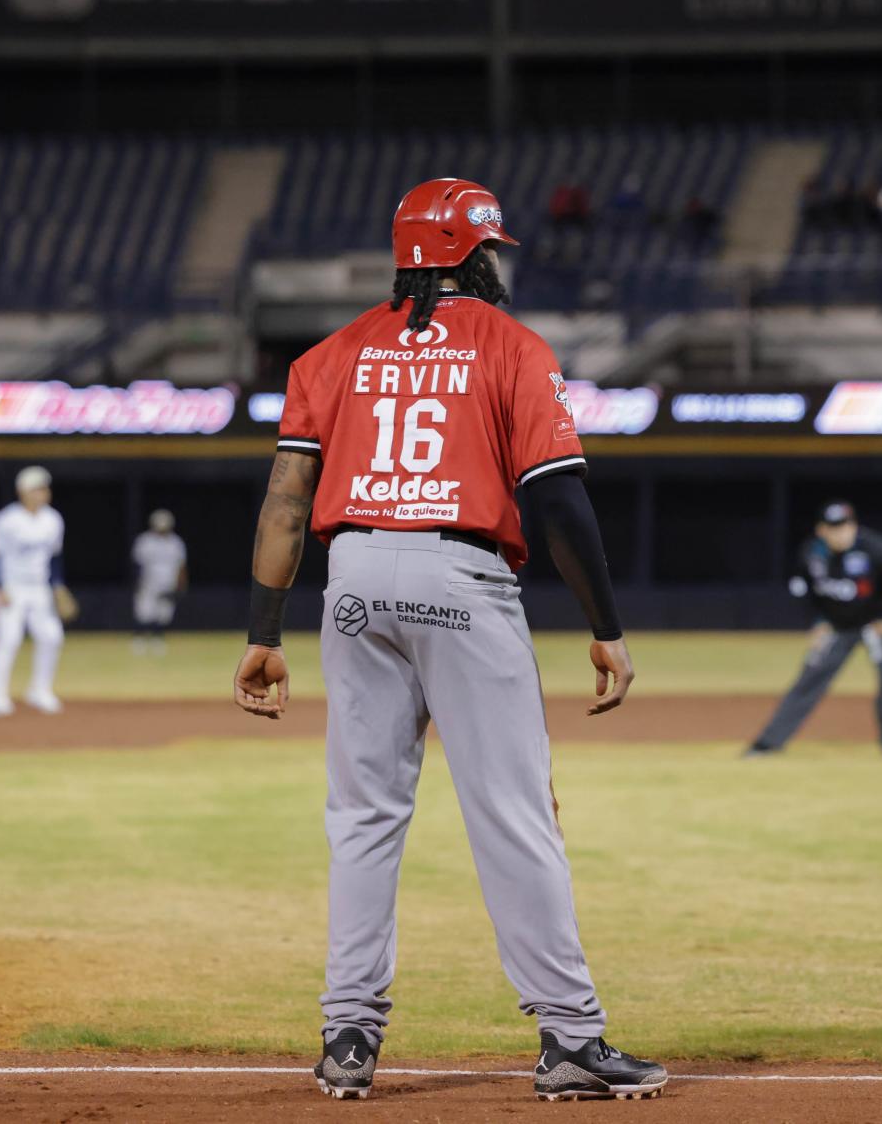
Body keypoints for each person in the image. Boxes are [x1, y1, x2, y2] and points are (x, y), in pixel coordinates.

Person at [231, 177, 667, 1104]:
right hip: (460, 576)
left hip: (351, 581)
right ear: (474, 253)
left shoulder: (331, 352)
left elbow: (284, 501)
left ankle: (348, 1036)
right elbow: (556, 499)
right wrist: (606, 625)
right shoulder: (510, 345)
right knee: (512, 811)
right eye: (491, 248)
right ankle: (571, 1038)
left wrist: (264, 631)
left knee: (362, 817)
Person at [744, 501, 882, 758]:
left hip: (873, 624)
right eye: (834, 528)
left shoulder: (875, 548)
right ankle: (767, 744)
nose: (841, 533)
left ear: (854, 526)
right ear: (821, 530)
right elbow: (802, 591)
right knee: (808, 680)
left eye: (846, 526)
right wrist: (817, 623)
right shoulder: (812, 554)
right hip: (837, 626)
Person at [0, 466, 76, 717]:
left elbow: (55, 556)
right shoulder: (6, 519)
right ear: (22, 491)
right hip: (11, 588)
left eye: (44, 488)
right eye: (36, 488)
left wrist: (57, 585)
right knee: (9, 640)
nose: (42, 493)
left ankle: (40, 690)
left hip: (39, 588)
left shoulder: (53, 519)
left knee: (52, 637)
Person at [130, 508, 188, 655]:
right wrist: (136, 582)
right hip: (148, 582)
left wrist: (181, 585)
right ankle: (139, 640)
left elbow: (181, 566)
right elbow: (137, 564)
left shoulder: (176, 543)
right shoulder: (145, 541)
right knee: (144, 612)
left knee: (163, 614)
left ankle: (158, 639)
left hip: (168, 583)